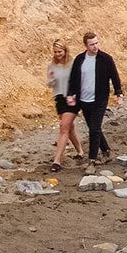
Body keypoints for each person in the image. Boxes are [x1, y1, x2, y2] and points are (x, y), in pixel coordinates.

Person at [66, 31, 124, 163]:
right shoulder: (80, 59)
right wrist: (70, 94)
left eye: (96, 43)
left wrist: (119, 95)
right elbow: (73, 79)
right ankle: (106, 150)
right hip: (84, 100)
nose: (95, 46)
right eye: (92, 44)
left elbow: (115, 78)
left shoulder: (106, 59)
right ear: (86, 45)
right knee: (94, 128)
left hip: (100, 99)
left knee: (94, 128)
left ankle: (92, 159)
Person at [46, 40, 83, 172]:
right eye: (55, 52)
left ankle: (57, 161)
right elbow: (49, 84)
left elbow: (79, 80)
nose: (57, 54)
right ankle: (80, 151)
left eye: (60, 52)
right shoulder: (52, 65)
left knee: (63, 127)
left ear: (65, 51)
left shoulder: (73, 64)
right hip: (59, 98)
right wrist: (51, 81)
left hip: (72, 97)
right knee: (69, 127)